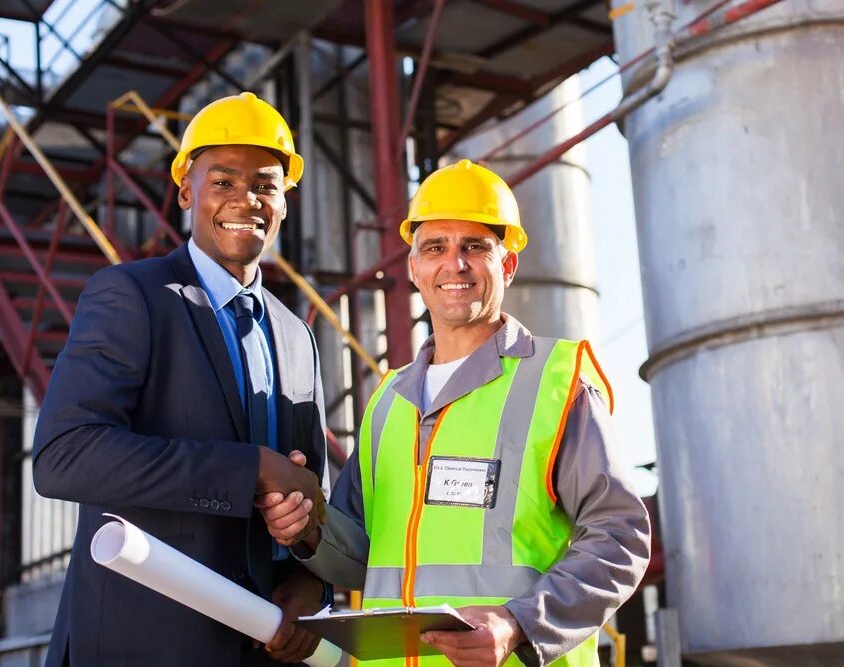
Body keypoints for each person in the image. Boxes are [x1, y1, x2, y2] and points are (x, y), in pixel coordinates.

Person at [260, 159, 651, 667]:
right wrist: (307, 525)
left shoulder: (556, 383)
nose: (455, 265)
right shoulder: (387, 402)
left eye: (474, 247)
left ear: (506, 264)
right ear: (414, 267)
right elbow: (360, 557)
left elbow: (620, 537)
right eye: (435, 248)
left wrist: (518, 622)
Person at [32, 92, 330, 667]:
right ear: (186, 191)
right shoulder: (133, 296)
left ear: (285, 202)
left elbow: (304, 490)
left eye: (266, 185)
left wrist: (307, 584)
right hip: (137, 647)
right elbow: (63, 455)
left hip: (261, 651)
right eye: (223, 181)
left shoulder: (298, 336)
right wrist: (247, 472)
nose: (247, 199)